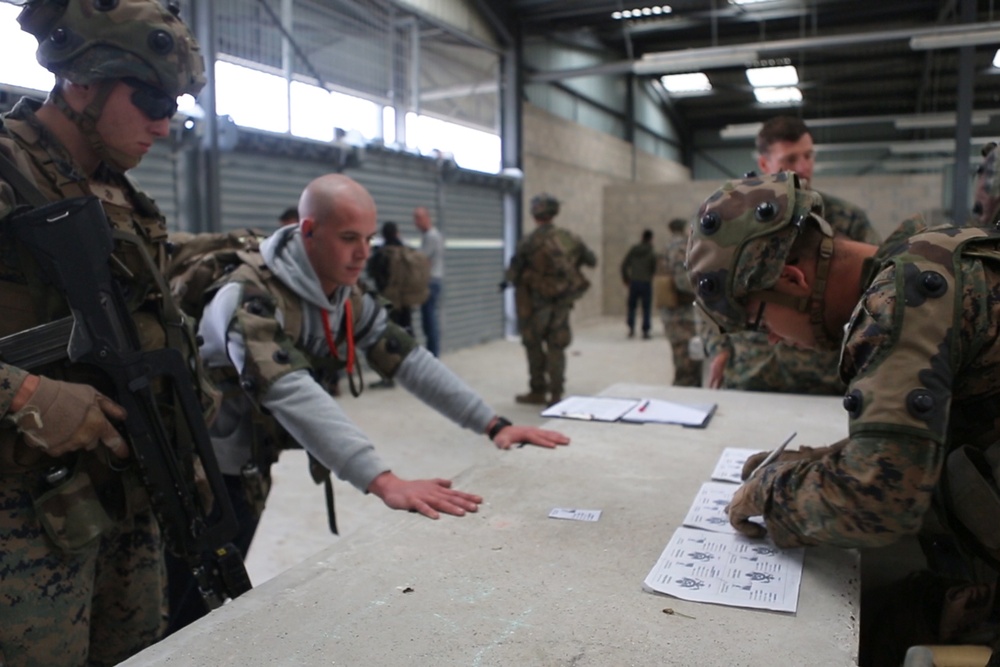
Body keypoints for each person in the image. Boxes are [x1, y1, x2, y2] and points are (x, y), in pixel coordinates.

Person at [172, 174, 570, 628]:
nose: (363, 252)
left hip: (245, 462)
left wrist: (494, 424)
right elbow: (286, 387)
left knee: (213, 593)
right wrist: (383, 480)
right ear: (308, 231)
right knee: (179, 603)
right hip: (192, 467)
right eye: (348, 238)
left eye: (368, 238)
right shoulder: (247, 297)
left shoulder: (343, 294)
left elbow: (408, 359)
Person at [687, 171, 1000, 665]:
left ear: (793, 280)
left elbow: (878, 501)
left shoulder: (899, 303)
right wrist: (821, 461)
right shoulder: (924, 259)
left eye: (761, 321)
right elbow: (923, 438)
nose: (770, 339)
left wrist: (772, 489)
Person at [0, 2, 208, 665]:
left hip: (120, 496)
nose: (164, 123)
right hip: (20, 517)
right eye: (148, 96)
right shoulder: (8, 170)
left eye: (172, 103)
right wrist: (26, 390)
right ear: (81, 81)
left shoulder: (119, 195)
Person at [703, 115, 881, 394]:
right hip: (753, 370)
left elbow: (877, 289)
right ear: (764, 164)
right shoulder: (739, 223)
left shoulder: (845, 217)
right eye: (790, 159)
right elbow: (711, 288)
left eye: (808, 156)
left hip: (820, 376)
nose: (803, 167)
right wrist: (718, 347)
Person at [505, 193, 597, 406]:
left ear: (535, 213)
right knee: (557, 345)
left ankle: (537, 390)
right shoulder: (570, 237)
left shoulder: (528, 241)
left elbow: (513, 273)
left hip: (535, 304)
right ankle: (556, 394)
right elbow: (591, 260)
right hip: (562, 302)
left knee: (534, 345)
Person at [659, 218, 701, 386]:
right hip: (680, 312)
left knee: (681, 355)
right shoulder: (680, 246)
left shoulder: (667, 245)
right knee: (687, 360)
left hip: (672, 310)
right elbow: (683, 281)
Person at [414, 206, 443, 356]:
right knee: (428, 320)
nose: (415, 223)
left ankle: (433, 354)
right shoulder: (428, 236)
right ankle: (432, 353)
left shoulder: (432, 236)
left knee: (430, 321)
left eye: (418, 218)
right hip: (431, 282)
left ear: (426, 218)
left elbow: (422, 259)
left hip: (431, 283)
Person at [620, 228, 657, 339]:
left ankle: (631, 329)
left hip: (634, 282)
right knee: (646, 308)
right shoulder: (651, 252)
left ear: (642, 237)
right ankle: (645, 331)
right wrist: (650, 276)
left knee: (632, 307)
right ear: (651, 239)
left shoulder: (634, 250)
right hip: (646, 283)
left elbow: (624, 265)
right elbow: (654, 268)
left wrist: (626, 278)